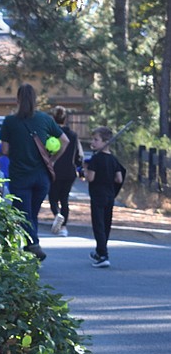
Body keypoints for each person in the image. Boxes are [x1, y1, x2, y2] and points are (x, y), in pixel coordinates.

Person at [0, 83, 68, 261]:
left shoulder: (10, 122)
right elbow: (65, 141)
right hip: (42, 177)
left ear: (17, 100)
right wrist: (52, 160)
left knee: (24, 214)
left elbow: (4, 150)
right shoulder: (45, 119)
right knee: (31, 214)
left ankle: (34, 245)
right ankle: (30, 251)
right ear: (35, 100)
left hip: (20, 176)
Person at [85, 125, 125, 268]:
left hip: (97, 195)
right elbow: (119, 179)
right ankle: (99, 251)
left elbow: (90, 178)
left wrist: (84, 169)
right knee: (106, 225)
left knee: (98, 225)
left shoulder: (95, 159)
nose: (93, 142)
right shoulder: (113, 160)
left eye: (96, 140)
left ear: (105, 142)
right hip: (109, 195)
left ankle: (103, 255)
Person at [47, 106, 83, 237]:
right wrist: (80, 167)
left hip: (54, 170)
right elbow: (78, 154)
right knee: (64, 199)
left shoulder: (51, 135)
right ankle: (64, 227)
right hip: (69, 171)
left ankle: (57, 214)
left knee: (52, 198)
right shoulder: (73, 135)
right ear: (65, 118)